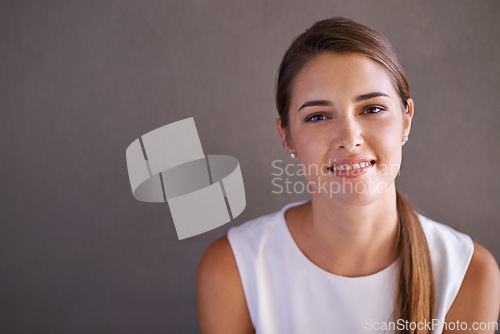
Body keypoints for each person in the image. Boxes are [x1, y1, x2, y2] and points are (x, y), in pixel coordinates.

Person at [197, 17, 500, 334]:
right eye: (318, 116)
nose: (349, 138)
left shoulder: (469, 272)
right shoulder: (232, 267)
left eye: (372, 109)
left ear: (406, 120)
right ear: (287, 137)